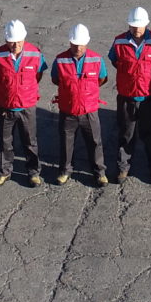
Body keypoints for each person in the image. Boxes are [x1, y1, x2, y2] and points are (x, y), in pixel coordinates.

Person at [108, 7, 151, 185]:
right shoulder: (119, 42)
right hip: (127, 96)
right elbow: (115, 61)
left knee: (150, 133)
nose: (136, 29)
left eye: (139, 26)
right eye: (133, 25)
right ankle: (122, 168)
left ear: (146, 24)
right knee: (126, 133)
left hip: (149, 97)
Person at [0, 20, 46, 186]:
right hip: (5, 106)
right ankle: (4, 172)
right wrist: (6, 91)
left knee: (30, 141)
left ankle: (33, 172)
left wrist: (25, 91)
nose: (15, 45)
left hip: (27, 106)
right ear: (6, 40)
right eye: (11, 42)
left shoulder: (35, 54)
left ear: (24, 38)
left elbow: (38, 74)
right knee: (4, 141)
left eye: (18, 41)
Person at [51, 24, 109, 186]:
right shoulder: (60, 60)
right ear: (70, 43)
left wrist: (86, 94)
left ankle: (99, 172)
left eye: (81, 44)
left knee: (95, 142)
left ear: (87, 43)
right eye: (75, 44)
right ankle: (65, 171)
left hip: (89, 110)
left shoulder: (97, 59)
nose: (78, 47)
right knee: (66, 143)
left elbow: (102, 79)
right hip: (68, 110)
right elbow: (56, 79)